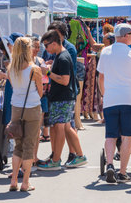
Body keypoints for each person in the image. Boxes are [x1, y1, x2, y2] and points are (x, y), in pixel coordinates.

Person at [38, 30, 87, 170]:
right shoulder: (61, 55)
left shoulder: (63, 57)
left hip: (63, 97)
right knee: (65, 127)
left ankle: (55, 160)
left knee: (60, 127)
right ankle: (79, 155)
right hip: (62, 97)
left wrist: (47, 72)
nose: (46, 49)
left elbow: (65, 80)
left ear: (54, 43)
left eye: (46, 46)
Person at [97, 24, 131, 183]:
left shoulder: (105, 52)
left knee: (110, 134)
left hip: (111, 98)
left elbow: (101, 77)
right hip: (129, 98)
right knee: (127, 135)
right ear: (124, 35)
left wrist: (104, 94)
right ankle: (122, 172)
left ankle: (109, 164)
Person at [8, 37, 43, 192]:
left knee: (18, 146)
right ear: (28, 50)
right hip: (33, 107)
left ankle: (14, 180)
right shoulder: (34, 69)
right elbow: (40, 92)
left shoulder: (10, 68)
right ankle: (25, 182)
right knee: (29, 145)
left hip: (16, 108)